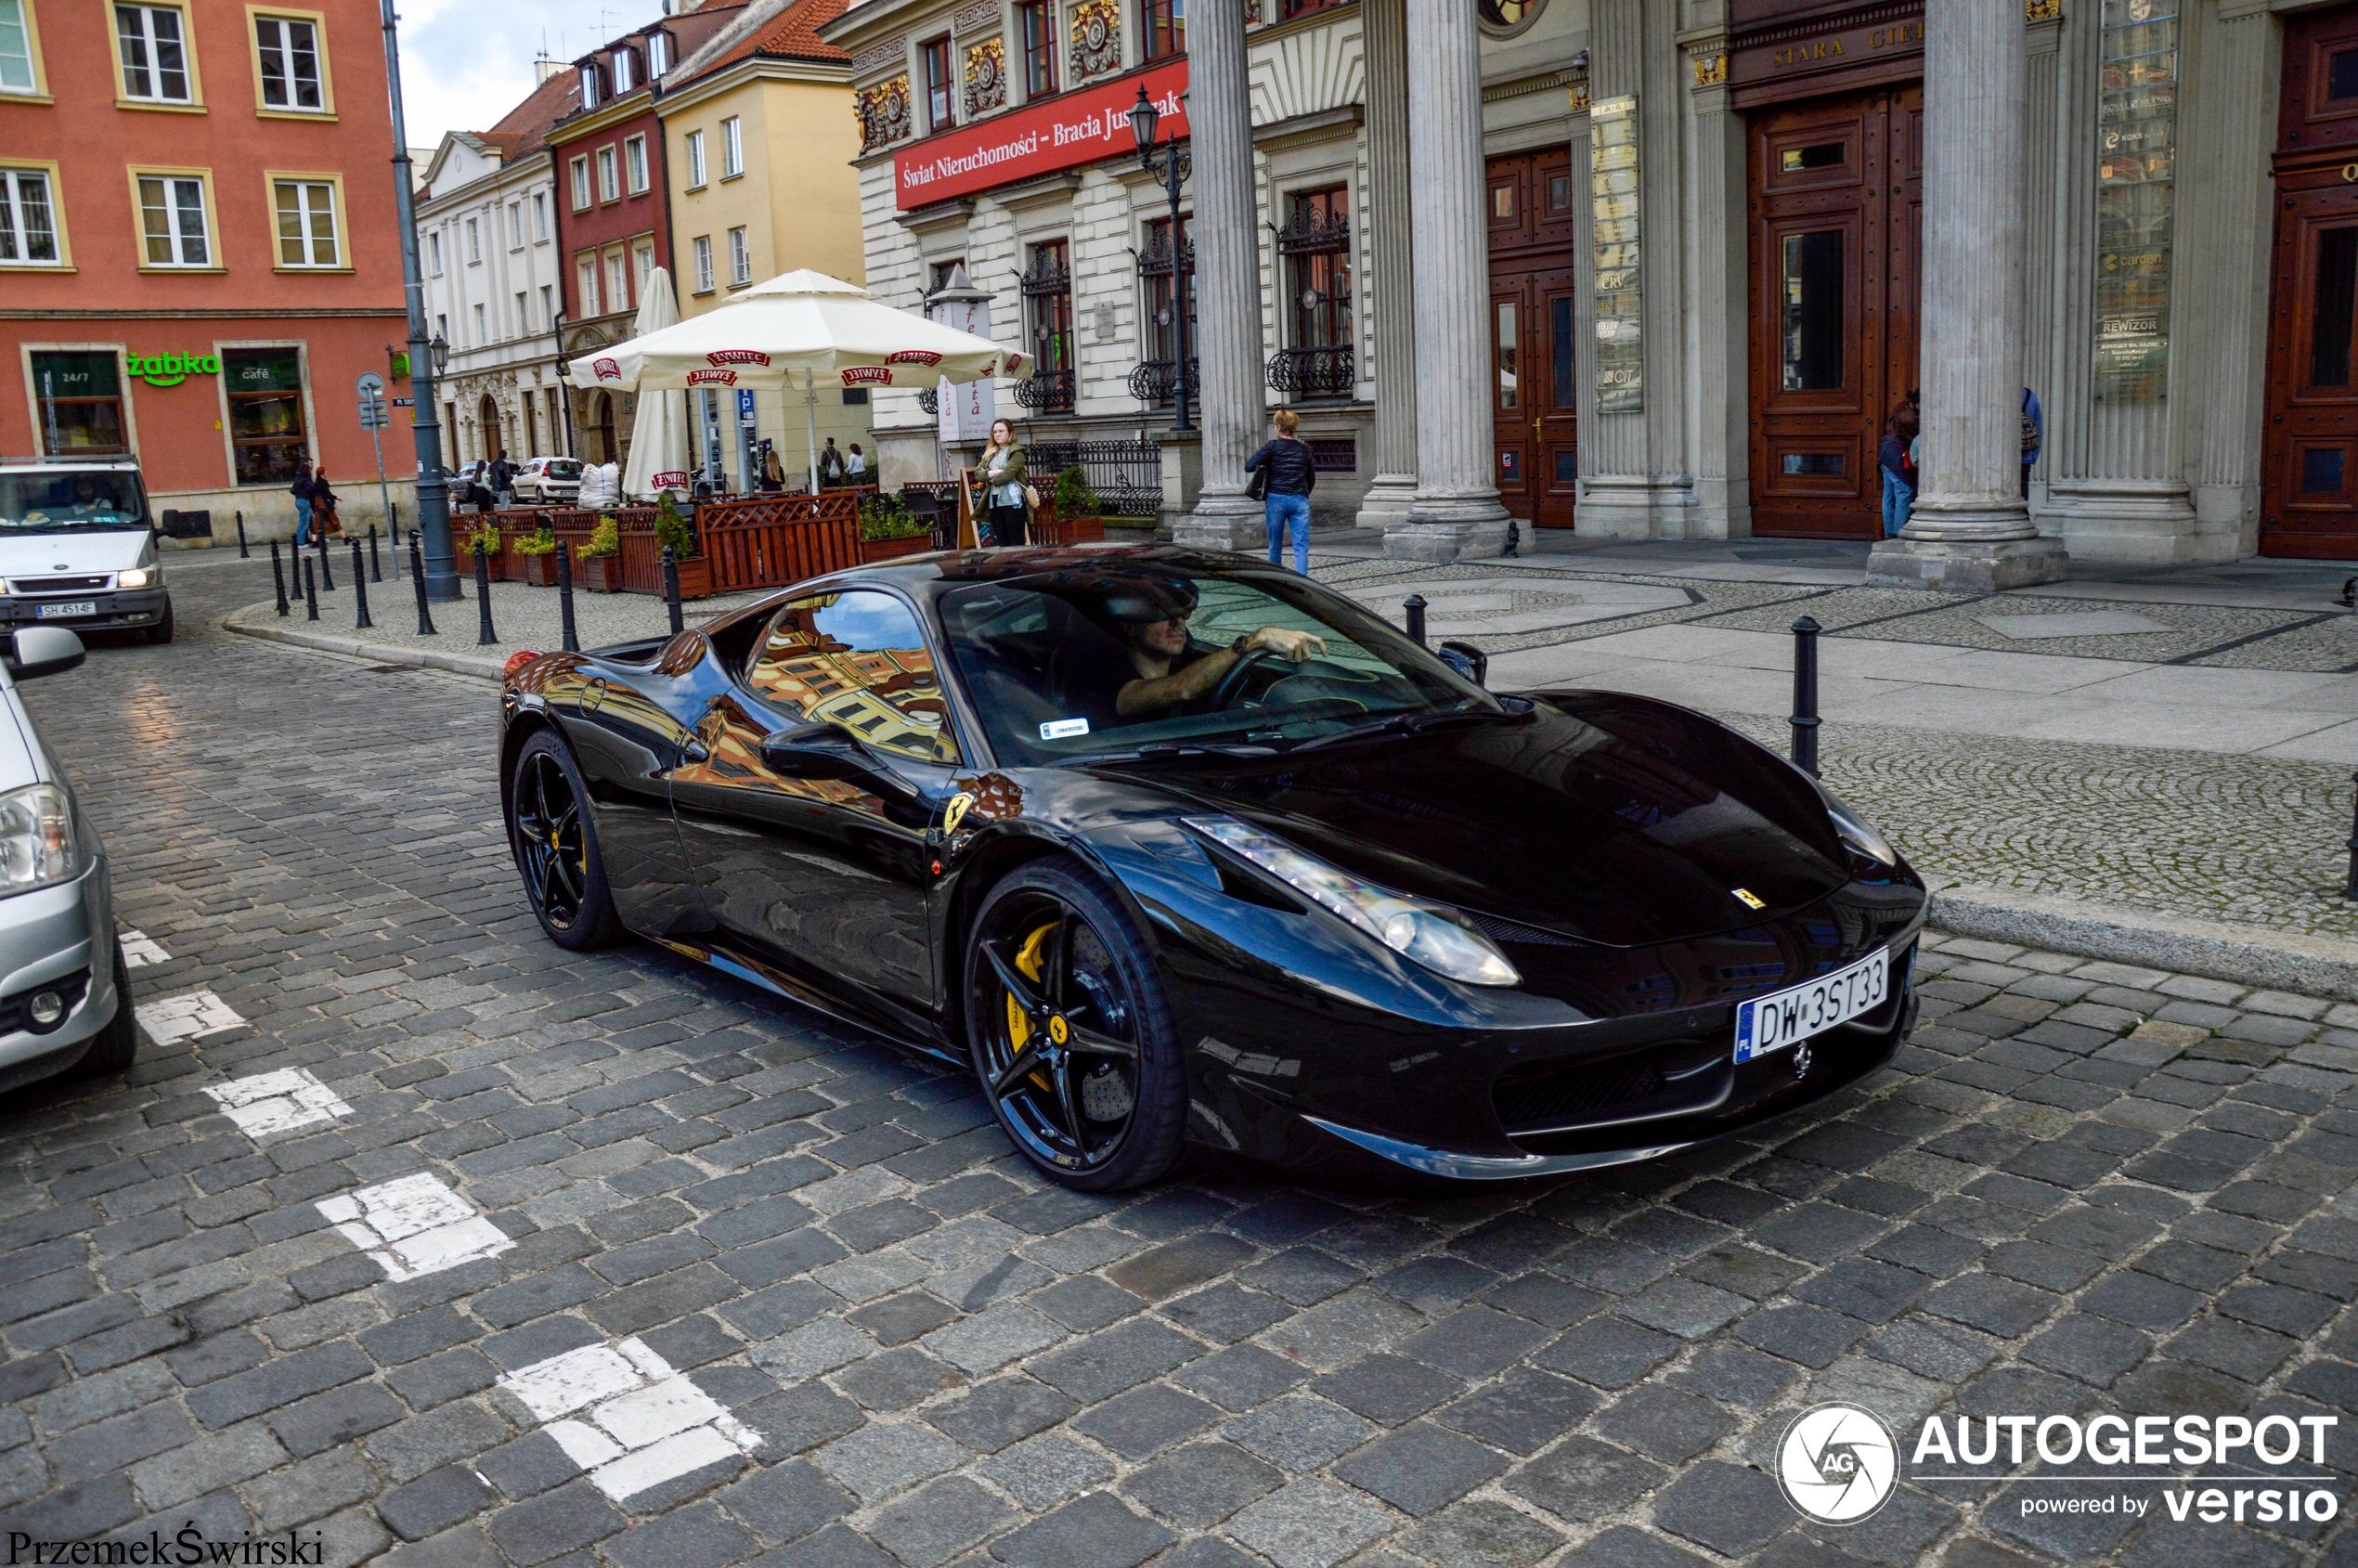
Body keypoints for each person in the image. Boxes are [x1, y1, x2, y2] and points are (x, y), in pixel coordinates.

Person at [1089, 576, 1326, 718]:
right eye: (1162, 614)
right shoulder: (1107, 678)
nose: (1178, 623)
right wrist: (1254, 640)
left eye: (1183, 615)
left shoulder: (1193, 661)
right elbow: (1180, 689)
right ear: (1131, 628)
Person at [1245, 409, 1316, 574]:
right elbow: (1311, 478)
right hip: (1299, 500)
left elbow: (1249, 466)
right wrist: (1303, 493)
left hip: (1276, 498)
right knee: (1301, 546)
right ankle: (1303, 585)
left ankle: (1277, 588)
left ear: (1278, 427)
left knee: (1275, 544)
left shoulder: (1272, 447)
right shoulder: (1304, 449)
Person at [981, 418, 1029, 548]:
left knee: (1016, 540)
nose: (997, 434)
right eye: (995, 432)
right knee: (1002, 541)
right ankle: (1006, 567)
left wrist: (990, 476)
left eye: (1001, 431)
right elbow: (978, 474)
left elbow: (1008, 475)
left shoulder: (1017, 452)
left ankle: (1018, 566)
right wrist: (995, 472)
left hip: (1013, 500)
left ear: (1010, 432)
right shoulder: (991, 453)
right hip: (994, 500)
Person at [1877, 398, 1918, 538]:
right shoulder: (1909, 416)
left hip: (1886, 452)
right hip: (1896, 454)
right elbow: (1914, 437)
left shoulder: (1902, 408)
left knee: (1889, 495)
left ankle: (1890, 533)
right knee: (1904, 492)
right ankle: (1898, 533)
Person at [2020, 385, 2043, 500]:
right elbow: (2038, 428)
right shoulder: (2029, 395)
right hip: (2024, 455)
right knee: (2023, 493)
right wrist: (2033, 455)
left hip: (1997, 458)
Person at [291, 461, 315, 547]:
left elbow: (292, 490)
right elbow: (312, 490)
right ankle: (300, 542)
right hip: (305, 501)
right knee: (304, 522)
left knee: (312, 520)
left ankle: (317, 537)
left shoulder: (297, 479)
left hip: (298, 500)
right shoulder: (306, 480)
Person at [312, 467, 340, 536]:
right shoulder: (323, 482)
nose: (326, 473)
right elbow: (327, 494)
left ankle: (314, 540)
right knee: (334, 520)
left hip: (317, 503)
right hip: (325, 503)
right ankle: (344, 538)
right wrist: (334, 501)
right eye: (325, 471)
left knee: (317, 523)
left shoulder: (316, 482)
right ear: (323, 473)